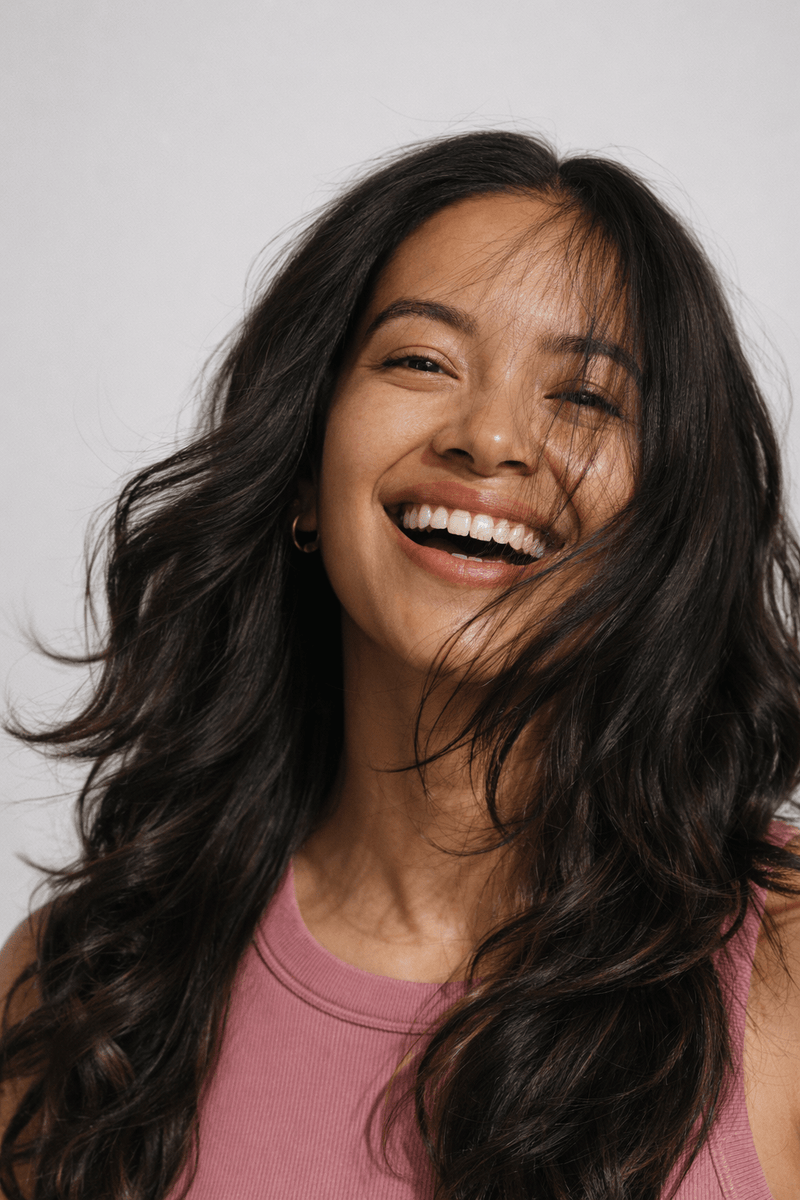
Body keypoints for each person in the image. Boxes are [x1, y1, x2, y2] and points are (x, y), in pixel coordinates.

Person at [1, 129, 800, 1200]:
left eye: (584, 398)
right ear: (299, 464)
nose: (490, 440)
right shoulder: (81, 984)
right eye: (420, 361)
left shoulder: (782, 964)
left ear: (664, 523)